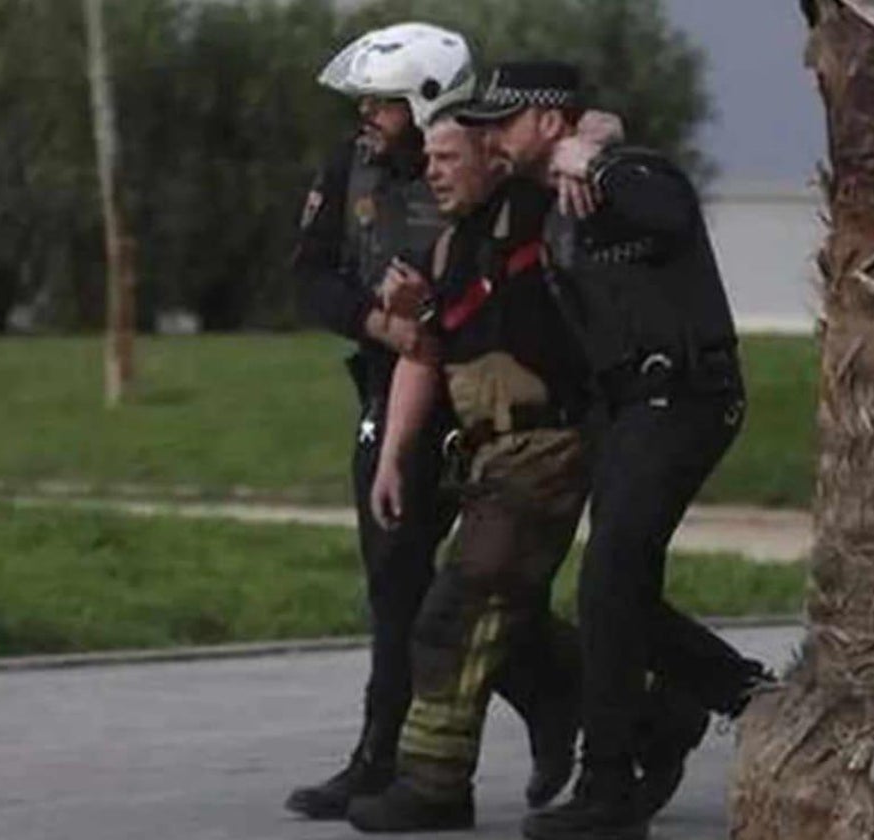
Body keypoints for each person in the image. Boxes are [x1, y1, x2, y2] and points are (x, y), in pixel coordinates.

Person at [456, 62, 773, 840]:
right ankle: (720, 697)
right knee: (613, 588)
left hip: (685, 398)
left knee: (608, 580)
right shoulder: (540, 196)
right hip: (627, 409)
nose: (488, 135)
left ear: (549, 121)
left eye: (502, 121)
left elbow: (668, 210)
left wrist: (594, 155)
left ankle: (614, 783)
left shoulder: (627, 175)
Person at [286, 27, 574, 821]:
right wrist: (381, 326)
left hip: (486, 397)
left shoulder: (487, 162)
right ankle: (384, 756)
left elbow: (578, 135)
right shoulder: (351, 168)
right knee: (398, 581)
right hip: (397, 384)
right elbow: (309, 276)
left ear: (424, 105)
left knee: (474, 583)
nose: (367, 116)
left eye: (380, 102)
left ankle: (571, 706)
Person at [344, 113, 591, 833]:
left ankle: (434, 786)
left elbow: (599, 129)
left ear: (493, 154)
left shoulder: (544, 215)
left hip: (543, 446)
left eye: (449, 156)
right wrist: (392, 458)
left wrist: (586, 146)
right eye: (428, 157)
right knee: (493, 615)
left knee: (458, 609)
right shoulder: (453, 246)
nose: (433, 170)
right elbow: (426, 352)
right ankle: (644, 708)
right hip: (486, 455)